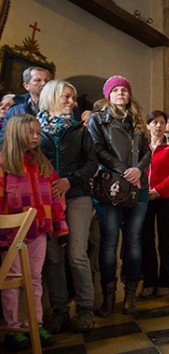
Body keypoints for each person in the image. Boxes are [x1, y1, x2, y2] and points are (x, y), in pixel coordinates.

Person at [0, 114, 68, 350]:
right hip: (10, 235)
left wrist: (61, 228)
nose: (36, 136)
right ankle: (13, 327)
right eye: (30, 132)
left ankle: (34, 323)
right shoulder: (3, 165)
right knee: (12, 280)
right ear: (16, 132)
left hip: (38, 230)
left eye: (38, 132)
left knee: (35, 279)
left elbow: (56, 199)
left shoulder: (43, 165)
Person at [37, 80, 98, 334]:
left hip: (77, 196)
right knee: (53, 257)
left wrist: (68, 181)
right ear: (51, 97)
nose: (72, 102)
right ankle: (60, 311)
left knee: (76, 254)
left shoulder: (79, 131)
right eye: (67, 97)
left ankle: (85, 309)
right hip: (46, 200)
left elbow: (91, 163)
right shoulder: (36, 130)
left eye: (73, 98)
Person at [87, 75, 151, 317]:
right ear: (108, 95)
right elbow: (97, 149)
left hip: (138, 187)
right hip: (111, 186)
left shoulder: (137, 121)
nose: (121, 93)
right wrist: (124, 169)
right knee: (109, 242)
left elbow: (148, 152)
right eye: (116, 90)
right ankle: (109, 296)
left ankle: (131, 295)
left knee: (134, 241)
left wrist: (138, 170)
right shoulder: (98, 119)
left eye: (125, 89)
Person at [140, 111, 169, 297]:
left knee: (166, 239)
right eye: (154, 122)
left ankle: (165, 280)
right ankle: (149, 281)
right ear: (148, 125)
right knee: (146, 239)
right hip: (144, 198)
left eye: (162, 123)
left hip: (166, 197)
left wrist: (158, 190)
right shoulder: (142, 147)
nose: (158, 126)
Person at [0, 67, 52, 144]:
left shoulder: (61, 107)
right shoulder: (14, 109)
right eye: (38, 80)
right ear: (26, 85)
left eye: (47, 81)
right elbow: (4, 138)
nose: (44, 83)